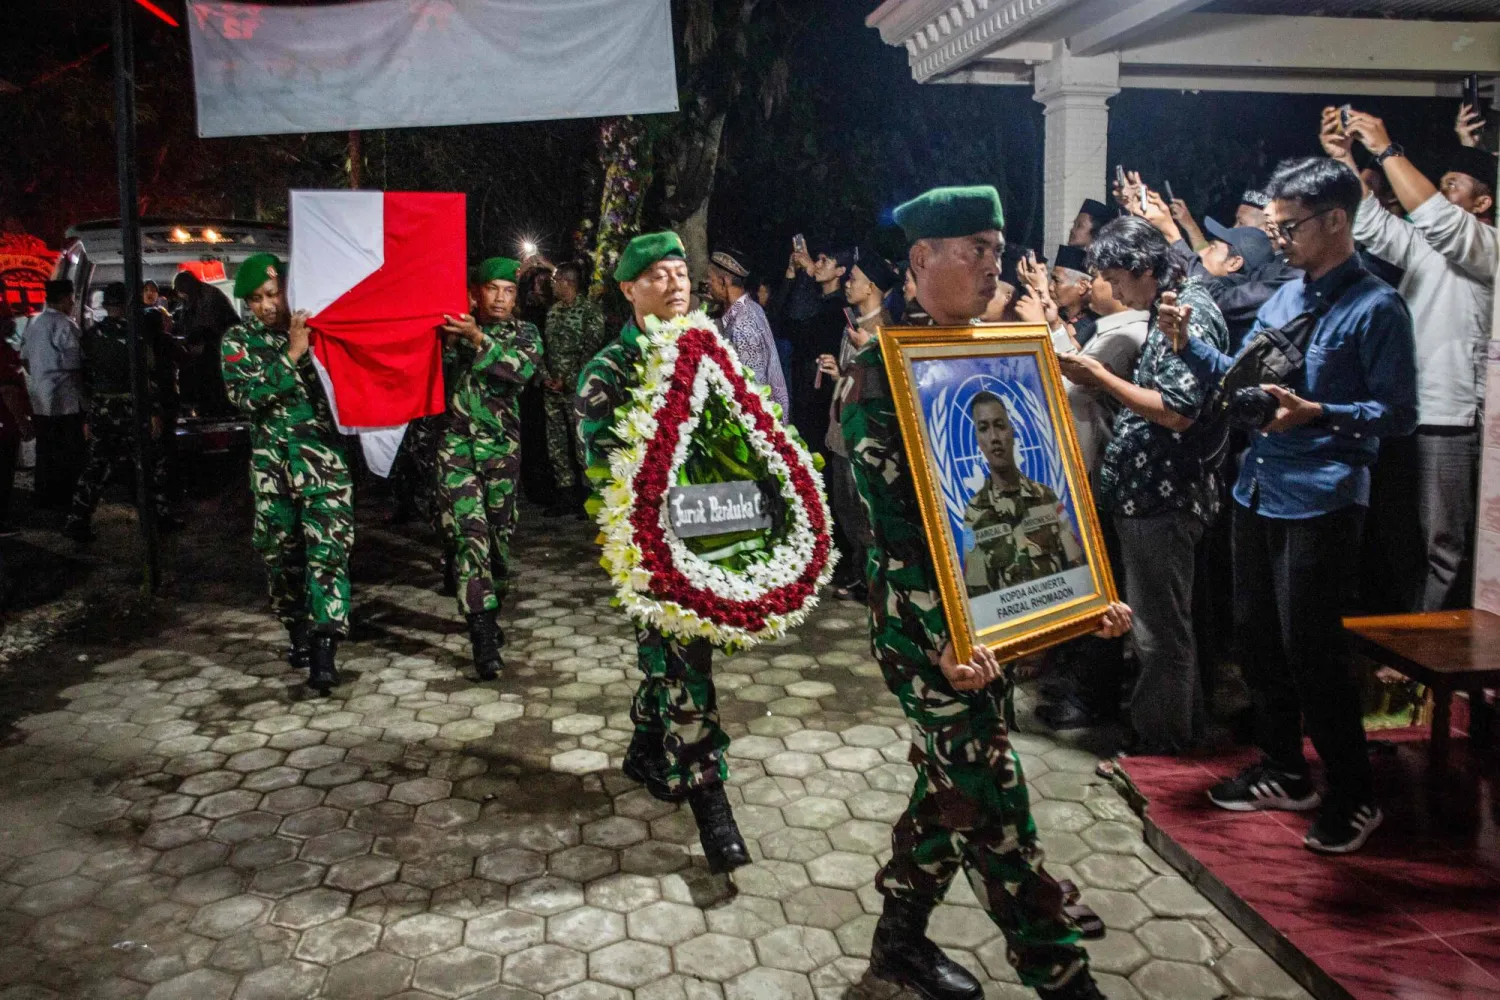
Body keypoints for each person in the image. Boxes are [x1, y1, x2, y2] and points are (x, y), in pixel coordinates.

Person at [840, 185, 1132, 1000]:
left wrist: (1082, 597)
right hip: (927, 632)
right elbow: (894, 537)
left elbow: (1045, 495)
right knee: (991, 796)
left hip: (986, 628)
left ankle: (897, 946)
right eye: (975, 250)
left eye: (996, 251)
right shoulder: (879, 372)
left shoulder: (994, 355)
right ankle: (1061, 974)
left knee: (954, 785)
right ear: (921, 260)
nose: (991, 267)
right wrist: (946, 635)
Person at [1172, 157, 1417, 854]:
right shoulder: (1284, 299)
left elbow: (1399, 415)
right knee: (1257, 638)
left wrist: (1319, 413)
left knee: (1313, 650)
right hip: (1260, 487)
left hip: (1325, 496)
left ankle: (1354, 793)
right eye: (1273, 227)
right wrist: (1188, 346)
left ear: (1335, 220)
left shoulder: (1376, 307)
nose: (1276, 240)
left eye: (1288, 228)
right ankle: (1284, 768)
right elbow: (1239, 380)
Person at [575, 231, 749, 875]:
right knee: (687, 664)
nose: (677, 285)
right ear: (629, 290)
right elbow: (606, 474)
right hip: (653, 552)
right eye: (658, 276)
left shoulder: (712, 352)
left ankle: (647, 748)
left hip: (711, 533)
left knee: (667, 660)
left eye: (682, 273)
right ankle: (709, 798)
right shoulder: (608, 372)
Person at [1057, 217, 1229, 754]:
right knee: (1166, 630)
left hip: (1164, 495)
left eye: (1115, 277)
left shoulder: (1190, 313)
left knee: (1159, 636)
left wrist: (1100, 378)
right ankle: (1178, 733)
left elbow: (1179, 411)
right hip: (1145, 492)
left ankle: (1159, 755)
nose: (1113, 290)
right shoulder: (1166, 307)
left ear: (1145, 268)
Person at [1325, 108, 1498, 612]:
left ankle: (1434, 665)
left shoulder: (1488, 246)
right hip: (1404, 412)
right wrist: (1343, 159)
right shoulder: (1427, 244)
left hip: (1450, 419)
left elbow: (1440, 222)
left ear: (1483, 201)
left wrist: (1386, 150)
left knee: (1442, 546)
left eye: (1453, 185)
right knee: (1400, 539)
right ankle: (1405, 648)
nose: (1440, 193)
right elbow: (1374, 224)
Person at [221, 254, 353, 695]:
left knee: (328, 555)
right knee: (281, 559)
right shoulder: (238, 341)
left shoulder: (323, 333)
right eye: (256, 299)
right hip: (272, 471)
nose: (266, 306)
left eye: (272, 295)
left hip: (323, 467)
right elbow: (246, 395)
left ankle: (324, 647)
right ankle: (296, 627)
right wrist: (292, 356)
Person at [437, 257, 543, 681]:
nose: (500, 298)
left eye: (509, 291)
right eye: (492, 289)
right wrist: (450, 345)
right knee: (471, 538)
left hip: (502, 451)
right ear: (475, 292)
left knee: (498, 541)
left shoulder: (525, 334)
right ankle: (480, 633)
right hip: (456, 450)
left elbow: (521, 372)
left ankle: (491, 602)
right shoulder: (448, 332)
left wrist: (478, 340)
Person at [62, 282, 177, 544]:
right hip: (133, 406)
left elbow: (83, 377)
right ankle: (158, 516)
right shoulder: (136, 335)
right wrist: (155, 410)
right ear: (127, 304)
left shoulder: (90, 336)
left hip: (102, 407)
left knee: (96, 464)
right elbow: (147, 376)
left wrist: (89, 412)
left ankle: (77, 519)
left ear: (105, 306)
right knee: (152, 461)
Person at [819, 248, 894, 601]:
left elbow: (886, 388)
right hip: (841, 433)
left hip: (865, 436)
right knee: (846, 509)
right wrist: (838, 370)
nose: (848, 284)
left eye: (854, 280)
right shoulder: (851, 323)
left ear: (872, 287)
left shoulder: (885, 331)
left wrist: (869, 354)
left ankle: (875, 583)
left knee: (865, 515)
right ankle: (860, 574)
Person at [962, 392, 1085, 596]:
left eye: (1000, 425)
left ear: (1012, 432)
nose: (994, 438)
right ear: (978, 440)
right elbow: (978, 593)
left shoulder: (1047, 498)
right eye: (984, 429)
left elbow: (1078, 568)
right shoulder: (975, 514)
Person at [540, 260, 606, 519]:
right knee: (556, 444)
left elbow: (591, 352)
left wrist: (568, 380)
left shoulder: (590, 312)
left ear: (567, 282)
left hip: (578, 389)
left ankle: (590, 497)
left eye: (555, 280)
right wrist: (546, 377)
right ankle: (565, 495)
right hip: (552, 390)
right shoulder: (553, 312)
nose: (552, 285)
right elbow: (545, 347)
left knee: (582, 443)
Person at [19, 279, 85, 510]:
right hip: (65, 402)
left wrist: (40, 376)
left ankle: (43, 496)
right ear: (66, 298)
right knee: (68, 453)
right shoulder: (67, 326)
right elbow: (74, 367)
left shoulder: (34, 323)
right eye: (72, 297)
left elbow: (25, 360)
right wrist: (85, 399)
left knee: (45, 452)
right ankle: (65, 499)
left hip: (40, 401)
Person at [709, 248, 790, 414]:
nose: (708, 285)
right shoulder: (751, 307)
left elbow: (754, 391)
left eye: (710, 280)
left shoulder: (743, 325)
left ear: (724, 282)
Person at [172, 271, 239, 419]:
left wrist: (188, 339)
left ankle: (215, 410)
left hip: (220, 344)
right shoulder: (197, 296)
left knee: (212, 377)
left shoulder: (209, 297)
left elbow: (208, 326)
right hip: (211, 344)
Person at [0, 324, 31, 535]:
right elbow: (9, 391)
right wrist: (23, 423)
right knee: (3, 473)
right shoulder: (3, 353)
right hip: (4, 425)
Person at [1049, 245, 1096, 344]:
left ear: (1082, 286)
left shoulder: (1092, 323)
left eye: (1057, 281)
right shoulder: (1059, 313)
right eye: (1051, 279)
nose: (1050, 287)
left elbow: (1068, 351)